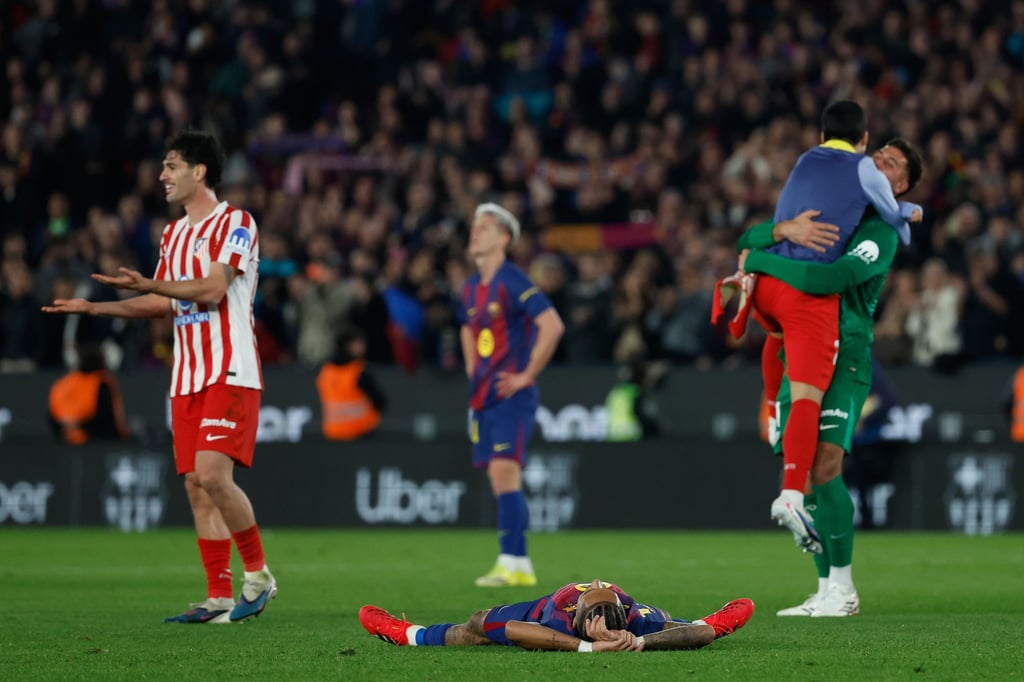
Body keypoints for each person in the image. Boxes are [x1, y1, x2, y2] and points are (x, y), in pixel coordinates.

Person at [42, 129, 276, 624]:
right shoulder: (174, 234)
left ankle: (258, 576)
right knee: (196, 485)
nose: (162, 175)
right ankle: (217, 598)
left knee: (214, 473)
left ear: (200, 171)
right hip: (186, 376)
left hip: (229, 367)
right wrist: (95, 308)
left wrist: (153, 282)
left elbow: (211, 289)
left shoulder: (236, 222)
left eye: (172, 165)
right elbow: (163, 300)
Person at [739, 137, 924, 616]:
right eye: (876, 155)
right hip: (800, 346)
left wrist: (759, 262)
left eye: (891, 164)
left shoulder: (881, 229)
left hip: (848, 355)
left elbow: (831, 280)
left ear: (900, 185)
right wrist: (782, 230)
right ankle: (824, 589)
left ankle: (844, 590)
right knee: (806, 475)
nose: (876, 163)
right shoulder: (836, 216)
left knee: (825, 466)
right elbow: (750, 235)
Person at [459, 202, 565, 587]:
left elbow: (552, 325)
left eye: (484, 227)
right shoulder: (471, 287)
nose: (475, 232)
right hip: (484, 396)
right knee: (497, 476)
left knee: (505, 474)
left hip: (510, 395)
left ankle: (513, 559)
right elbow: (467, 328)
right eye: (474, 225)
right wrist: (473, 368)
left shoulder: (512, 279)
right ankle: (517, 562)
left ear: (504, 238)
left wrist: (525, 375)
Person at [358, 578, 754, 651]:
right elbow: (511, 629)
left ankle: (716, 616)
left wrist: (640, 641)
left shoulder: (635, 619)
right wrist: (587, 650)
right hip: (546, 602)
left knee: (687, 627)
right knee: (478, 625)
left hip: (628, 616)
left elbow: (698, 637)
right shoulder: (555, 619)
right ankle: (408, 633)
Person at [48, 344, 131, 445]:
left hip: (65, 440)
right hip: (96, 442)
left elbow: (52, 416)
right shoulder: (102, 383)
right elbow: (105, 418)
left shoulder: (62, 384)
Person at [316, 328, 387, 440]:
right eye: (359, 343)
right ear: (348, 346)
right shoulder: (359, 371)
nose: (363, 347)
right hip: (360, 431)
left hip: (332, 432)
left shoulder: (326, 370)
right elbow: (380, 401)